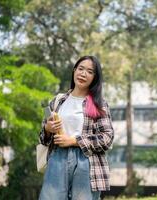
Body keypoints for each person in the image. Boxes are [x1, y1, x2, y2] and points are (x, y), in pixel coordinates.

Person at [38, 56, 114, 200]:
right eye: (80, 69)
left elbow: (107, 138)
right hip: (58, 157)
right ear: (74, 71)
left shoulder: (99, 104)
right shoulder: (58, 100)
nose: (83, 74)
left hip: (87, 161)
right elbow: (43, 139)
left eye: (90, 71)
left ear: (95, 78)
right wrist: (48, 129)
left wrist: (74, 141)